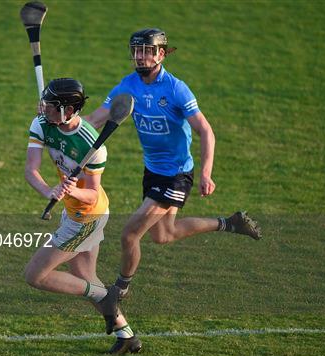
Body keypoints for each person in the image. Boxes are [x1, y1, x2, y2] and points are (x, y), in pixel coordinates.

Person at [84, 28, 262, 303]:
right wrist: (62, 122)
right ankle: (229, 223)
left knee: (130, 234)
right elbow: (96, 119)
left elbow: (205, 130)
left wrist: (205, 173)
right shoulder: (127, 85)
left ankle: (119, 289)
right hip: (152, 170)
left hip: (176, 175)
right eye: (137, 51)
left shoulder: (176, 89)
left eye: (147, 51)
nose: (140, 57)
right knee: (164, 235)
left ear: (162, 54)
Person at [24, 78, 142, 355]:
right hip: (72, 211)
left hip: (88, 216)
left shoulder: (94, 146)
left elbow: (92, 193)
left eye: (51, 106)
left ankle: (105, 295)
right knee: (84, 275)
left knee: (35, 275)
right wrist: (49, 191)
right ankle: (127, 336)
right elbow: (31, 170)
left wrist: (71, 193)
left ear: (69, 109)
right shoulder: (42, 124)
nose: (44, 109)